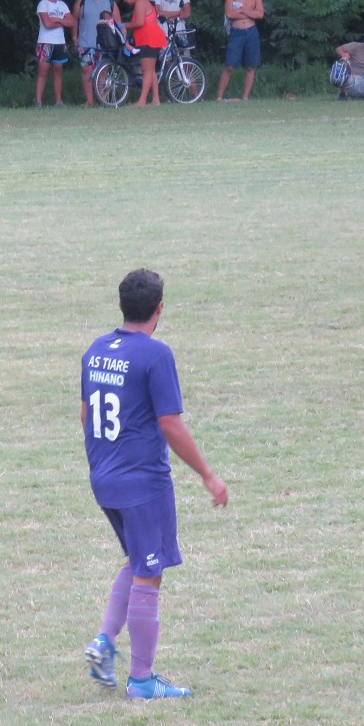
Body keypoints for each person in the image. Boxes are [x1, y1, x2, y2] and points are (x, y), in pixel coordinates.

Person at [81, 269, 228, 700]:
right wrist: (207, 474)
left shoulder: (95, 350)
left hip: (103, 477)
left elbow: (87, 416)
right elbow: (170, 424)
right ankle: (142, 680)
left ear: (121, 305)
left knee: (137, 560)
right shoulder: (155, 355)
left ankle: (105, 642)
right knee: (150, 573)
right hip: (142, 482)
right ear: (159, 309)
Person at [216, 0, 264, 102]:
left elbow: (260, 14)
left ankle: (245, 97)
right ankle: (219, 97)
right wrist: (250, 12)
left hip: (251, 31)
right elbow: (230, 14)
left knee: (250, 66)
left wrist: (242, 10)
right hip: (236, 32)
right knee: (229, 65)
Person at [72, 0, 120, 106]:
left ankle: (103, 98)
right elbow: (74, 19)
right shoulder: (83, 0)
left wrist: (121, 41)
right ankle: (89, 100)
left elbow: (118, 23)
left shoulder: (110, 1)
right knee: (86, 70)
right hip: (85, 42)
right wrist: (74, 37)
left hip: (105, 44)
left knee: (103, 71)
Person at [120, 0, 167, 107]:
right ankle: (156, 99)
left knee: (146, 71)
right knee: (151, 71)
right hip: (151, 38)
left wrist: (124, 25)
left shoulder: (140, 2)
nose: (125, 1)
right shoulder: (143, 1)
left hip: (149, 39)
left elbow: (140, 23)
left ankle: (142, 100)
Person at [35, 0, 75, 107]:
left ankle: (58, 101)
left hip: (59, 42)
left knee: (58, 70)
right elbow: (47, 24)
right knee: (43, 71)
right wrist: (62, 21)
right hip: (45, 42)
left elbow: (72, 22)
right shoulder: (43, 4)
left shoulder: (62, 5)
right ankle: (38, 101)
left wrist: (57, 19)